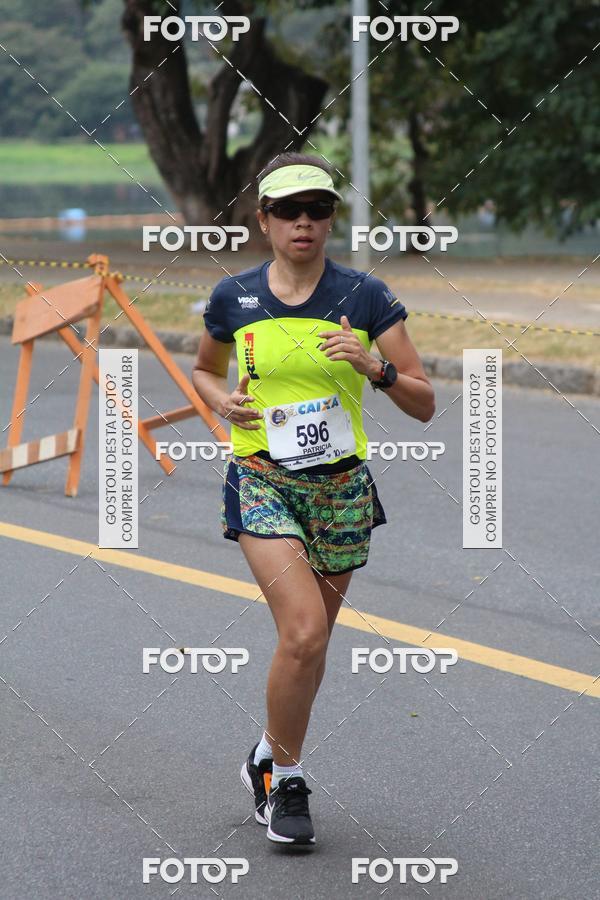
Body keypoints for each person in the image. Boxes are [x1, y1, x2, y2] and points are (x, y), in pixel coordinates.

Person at [191, 152, 435, 846]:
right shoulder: (233, 298)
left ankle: (265, 755)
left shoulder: (365, 297)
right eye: (290, 211)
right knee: (301, 631)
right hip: (263, 478)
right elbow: (205, 372)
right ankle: (288, 780)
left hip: (341, 490)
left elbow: (424, 402)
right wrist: (224, 404)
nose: (305, 223)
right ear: (263, 219)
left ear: (332, 218)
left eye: (319, 210)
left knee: (312, 643)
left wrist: (375, 366)